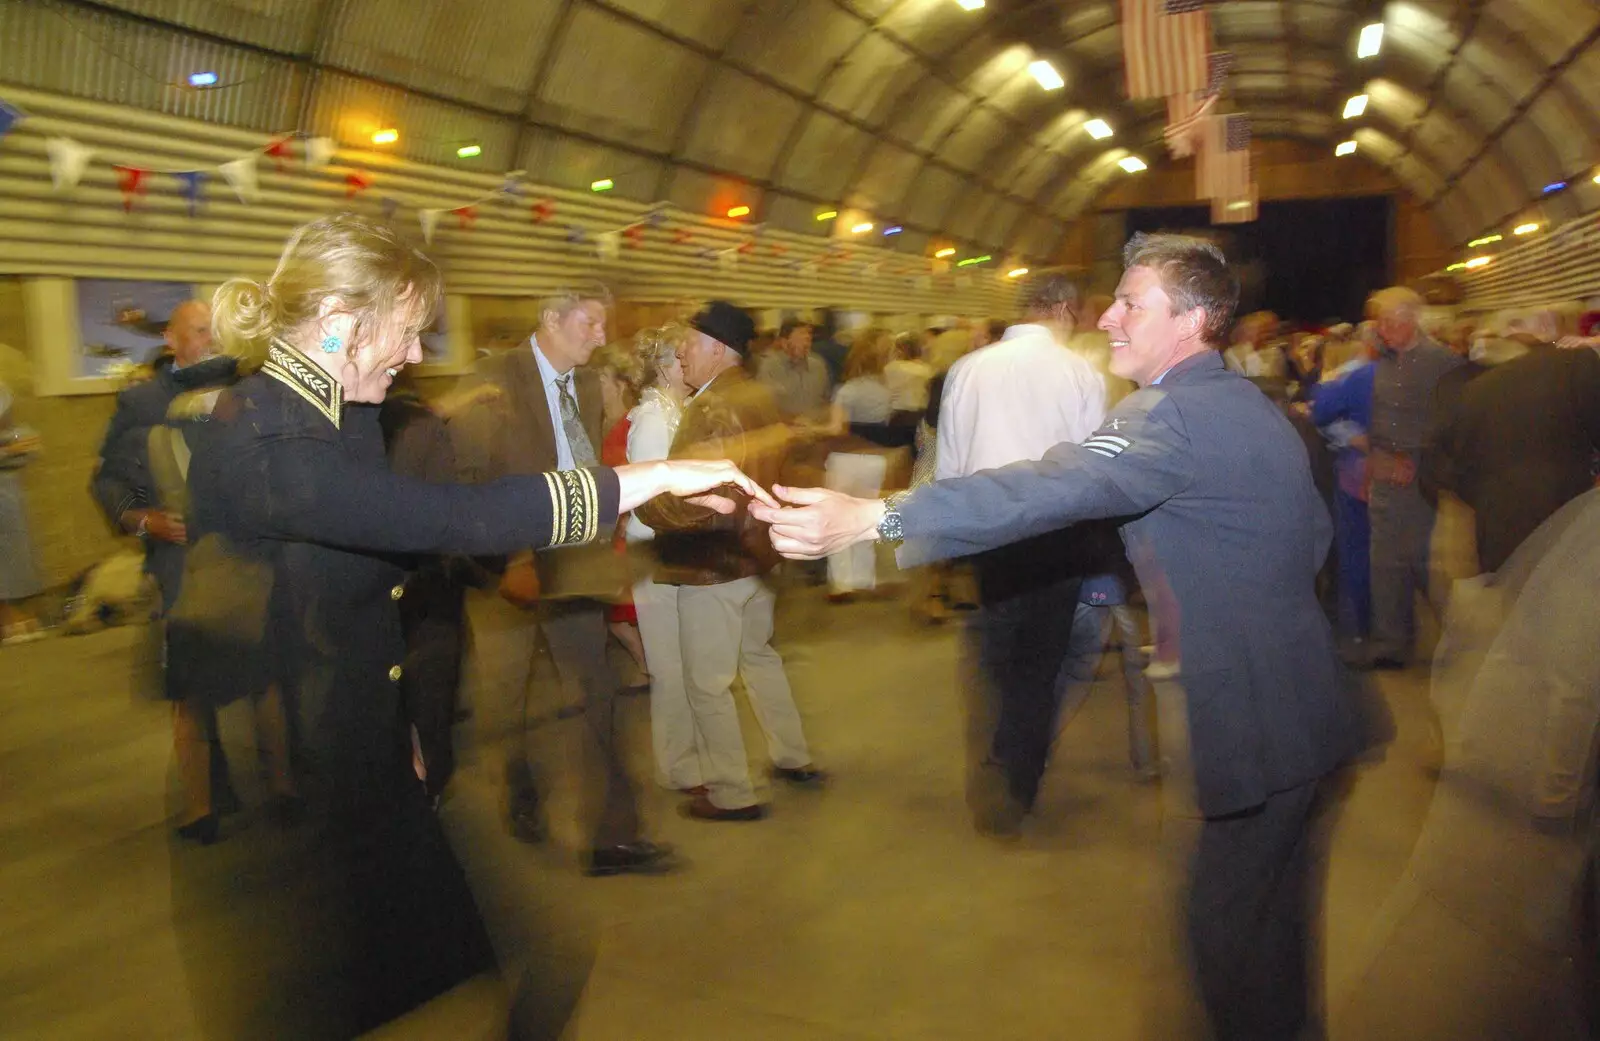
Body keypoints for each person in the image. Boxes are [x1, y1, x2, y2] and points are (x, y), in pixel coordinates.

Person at [754, 233, 1372, 1041]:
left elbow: (1052, 482)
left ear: (1191, 320)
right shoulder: (1249, 405)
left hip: (1258, 722)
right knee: (1275, 937)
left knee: (1225, 945)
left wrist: (879, 513)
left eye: (1131, 302)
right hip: (1312, 707)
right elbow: (1315, 537)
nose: (1108, 316)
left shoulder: (1171, 414)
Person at [176, 213, 769, 1041]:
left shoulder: (328, 412)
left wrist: (398, 724)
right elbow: (446, 517)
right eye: (409, 332)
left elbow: (364, 573)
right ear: (344, 322)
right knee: (323, 1003)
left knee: (537, 956)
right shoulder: (266, 437)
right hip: (304, 804)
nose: (416, 355)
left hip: (362, 757)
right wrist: (643, 477)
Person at [448, 286, 662, 871]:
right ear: (551, 320)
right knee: (506, 696)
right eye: (591, 323)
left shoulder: (590, 385)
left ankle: (610, 836)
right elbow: (466, 481)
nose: (601, 334)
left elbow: (585, 464)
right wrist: (508, 562)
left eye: (603, 324)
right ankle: (517, 788)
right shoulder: (494, 380)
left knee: (596, 689)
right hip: (510, 564)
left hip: (573, 556)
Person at [635, 301, 823, 821]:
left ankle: (732, 791)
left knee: (706, 683)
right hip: (756, 558)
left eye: (690, 344)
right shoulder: (760, 393)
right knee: (760, 658)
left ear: (717, 348)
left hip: (712, 564)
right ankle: (792, 756)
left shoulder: (712, 407)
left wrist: (645, 499)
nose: (683, 354)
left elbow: (695, 496)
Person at [935, 274, 1108, 834]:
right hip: (1056, 533)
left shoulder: (969, 368)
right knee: (1040, 663)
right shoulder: (1079, 371)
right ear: (1064, 309)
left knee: (992, 652)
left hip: (990, 530)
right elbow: (1092, 465)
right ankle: (1019, 780)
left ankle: (993, 760)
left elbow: (951, 464)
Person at [89, 299, 267, 842]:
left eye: (216, 333)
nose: (210, 342)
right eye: (198, 332)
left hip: (244, 562)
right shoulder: (142, 402)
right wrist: (144, 522)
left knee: (265, 677)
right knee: (190, 688)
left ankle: (281, 786)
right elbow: (109, 483)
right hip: (178, 565)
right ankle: (203, 805)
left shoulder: (244, 394)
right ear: (170, 339)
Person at [1432, 325, 1600, 574]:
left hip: (1499, 530)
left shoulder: (1472, 391)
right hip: (1562, 518)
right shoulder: (1578, 366)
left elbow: (1451, 467)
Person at [1364, 287, 1463, 668]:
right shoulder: (1384, 361)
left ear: (1412, 320)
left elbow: (1452, 424)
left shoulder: (1443, 364)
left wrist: (1414, 456)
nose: (1382, 330)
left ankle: (1455, 637)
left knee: (1418, 559)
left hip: (1416, 475)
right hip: (1383, 471)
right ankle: (1391, 643)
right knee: (1384, 561)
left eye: (1390, 322)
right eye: (1380, 322)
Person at [622, 325, 697, 792]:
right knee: (670, 665)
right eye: (684, 356)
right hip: (654, 550)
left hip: (673, 549)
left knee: (685, 660)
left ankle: (690, 755)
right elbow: (652, 498)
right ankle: (678, 766)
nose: (690, 363)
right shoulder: (653, 418)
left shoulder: (676, 410)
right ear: (667, 366)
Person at [0, 376, 45, 645]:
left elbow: (30, 447)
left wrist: (13, 448)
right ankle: (8, 620)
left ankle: (20, 616)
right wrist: (8, 452)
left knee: (18, 556)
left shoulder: (15, 429)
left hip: (10, 499)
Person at [756, 317, 830, 422]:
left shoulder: (818, 366)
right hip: (782, 430)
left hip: (814, 430)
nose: (806, 340)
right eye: (800, 335)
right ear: (784, 342)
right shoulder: (770, 366)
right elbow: (764, 405)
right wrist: (793, 420)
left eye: (808, 336)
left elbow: (826, 401)